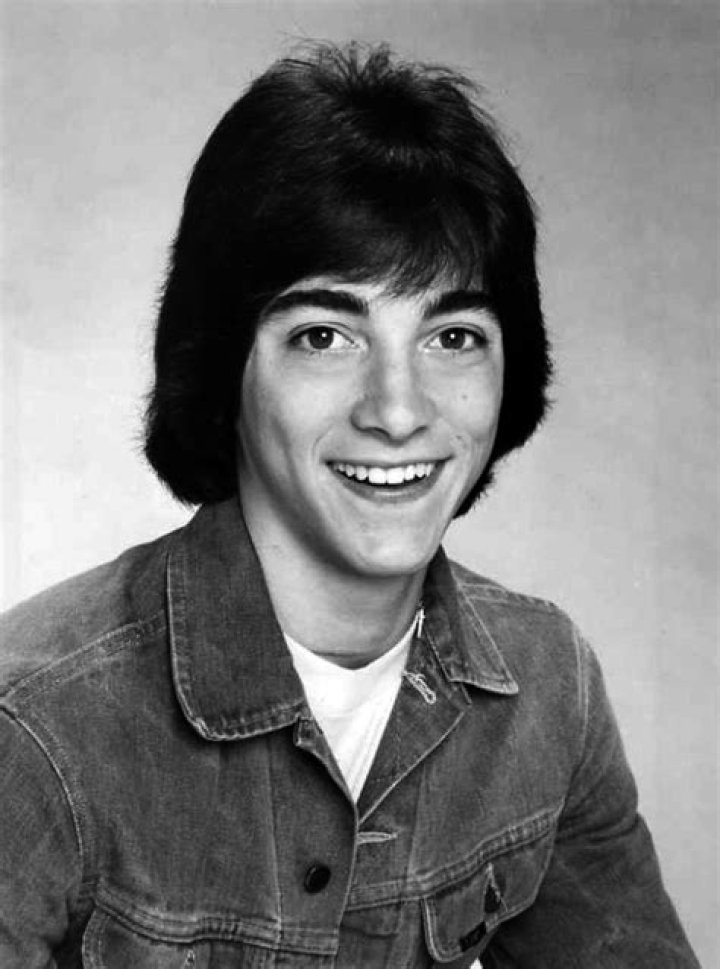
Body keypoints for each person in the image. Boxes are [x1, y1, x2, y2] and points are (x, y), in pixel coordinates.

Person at [0, 43, 699, 968]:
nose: (398, 411)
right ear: (223, 366)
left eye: (453, 336)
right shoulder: (36, 729)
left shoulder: (545, 690)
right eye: (325, 336)